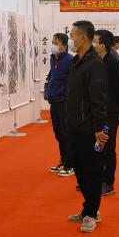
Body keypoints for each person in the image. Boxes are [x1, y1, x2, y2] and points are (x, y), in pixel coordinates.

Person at [65, 20, 108, 233]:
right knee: (80, 170)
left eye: (73, 35)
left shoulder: (95, 64)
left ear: (83, 37)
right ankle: (88, 208)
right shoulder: (77, 61)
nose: (71, 39)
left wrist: (99, 128)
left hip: (90, 128)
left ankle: (92, 213)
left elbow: (99, 100)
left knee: (91, 171)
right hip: (74, 125)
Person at [96, 29, 119, 196]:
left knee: (107, 147)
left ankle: (108, 182)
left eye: (94, 42)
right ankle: (98, 179)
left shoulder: (113, 63)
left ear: (102, 45)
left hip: (110, 113)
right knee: (97, 147)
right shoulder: (95, 61)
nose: (91, 44)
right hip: (98, 112)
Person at [44, 32, 74, 177]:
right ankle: (63, 160)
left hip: (64, 102)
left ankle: (70, 164)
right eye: (53, 42)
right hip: (54, 101)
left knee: (66, 133)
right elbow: (53, 77)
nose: (53, 45)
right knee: (59, 134)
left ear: (64, 45)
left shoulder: (70, 60)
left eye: (56, 42)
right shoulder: (53, 58)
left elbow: (72, 82)